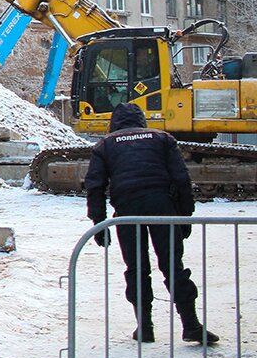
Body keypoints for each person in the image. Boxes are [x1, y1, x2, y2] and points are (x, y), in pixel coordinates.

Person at [84, 103, 217, 345]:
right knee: (173, 266)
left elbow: (95, 186)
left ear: (114, 122)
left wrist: (99, 223)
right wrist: (184, 217)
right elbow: (182, 179)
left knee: (136, 268)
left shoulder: (105, 145)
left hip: (127, 211)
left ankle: (145, 327)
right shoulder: (162, 139)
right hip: (161, 206)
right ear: (141, 120)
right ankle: (191, 325)